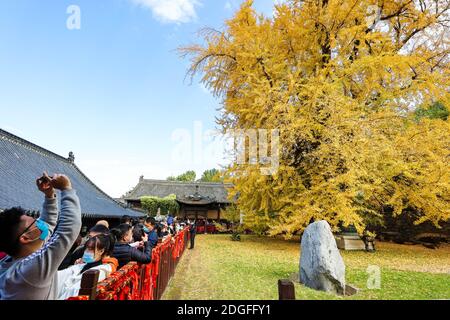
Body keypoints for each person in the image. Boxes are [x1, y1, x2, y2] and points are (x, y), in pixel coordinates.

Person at [0, 173, 81, 300]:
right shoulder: (27, 271)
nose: (39, 222)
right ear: (26, 237)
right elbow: (68, 230)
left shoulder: (17, 257)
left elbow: (47, 223)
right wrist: (67, 189)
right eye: (35, 222)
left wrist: (49, 195)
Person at [57, 234, 117, 300]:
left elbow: (75, 291)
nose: (86, 252)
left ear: (101, 251)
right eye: (86, 249)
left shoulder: (99, 271)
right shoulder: (83, 265)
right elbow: (63, 274)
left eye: (90, 249)